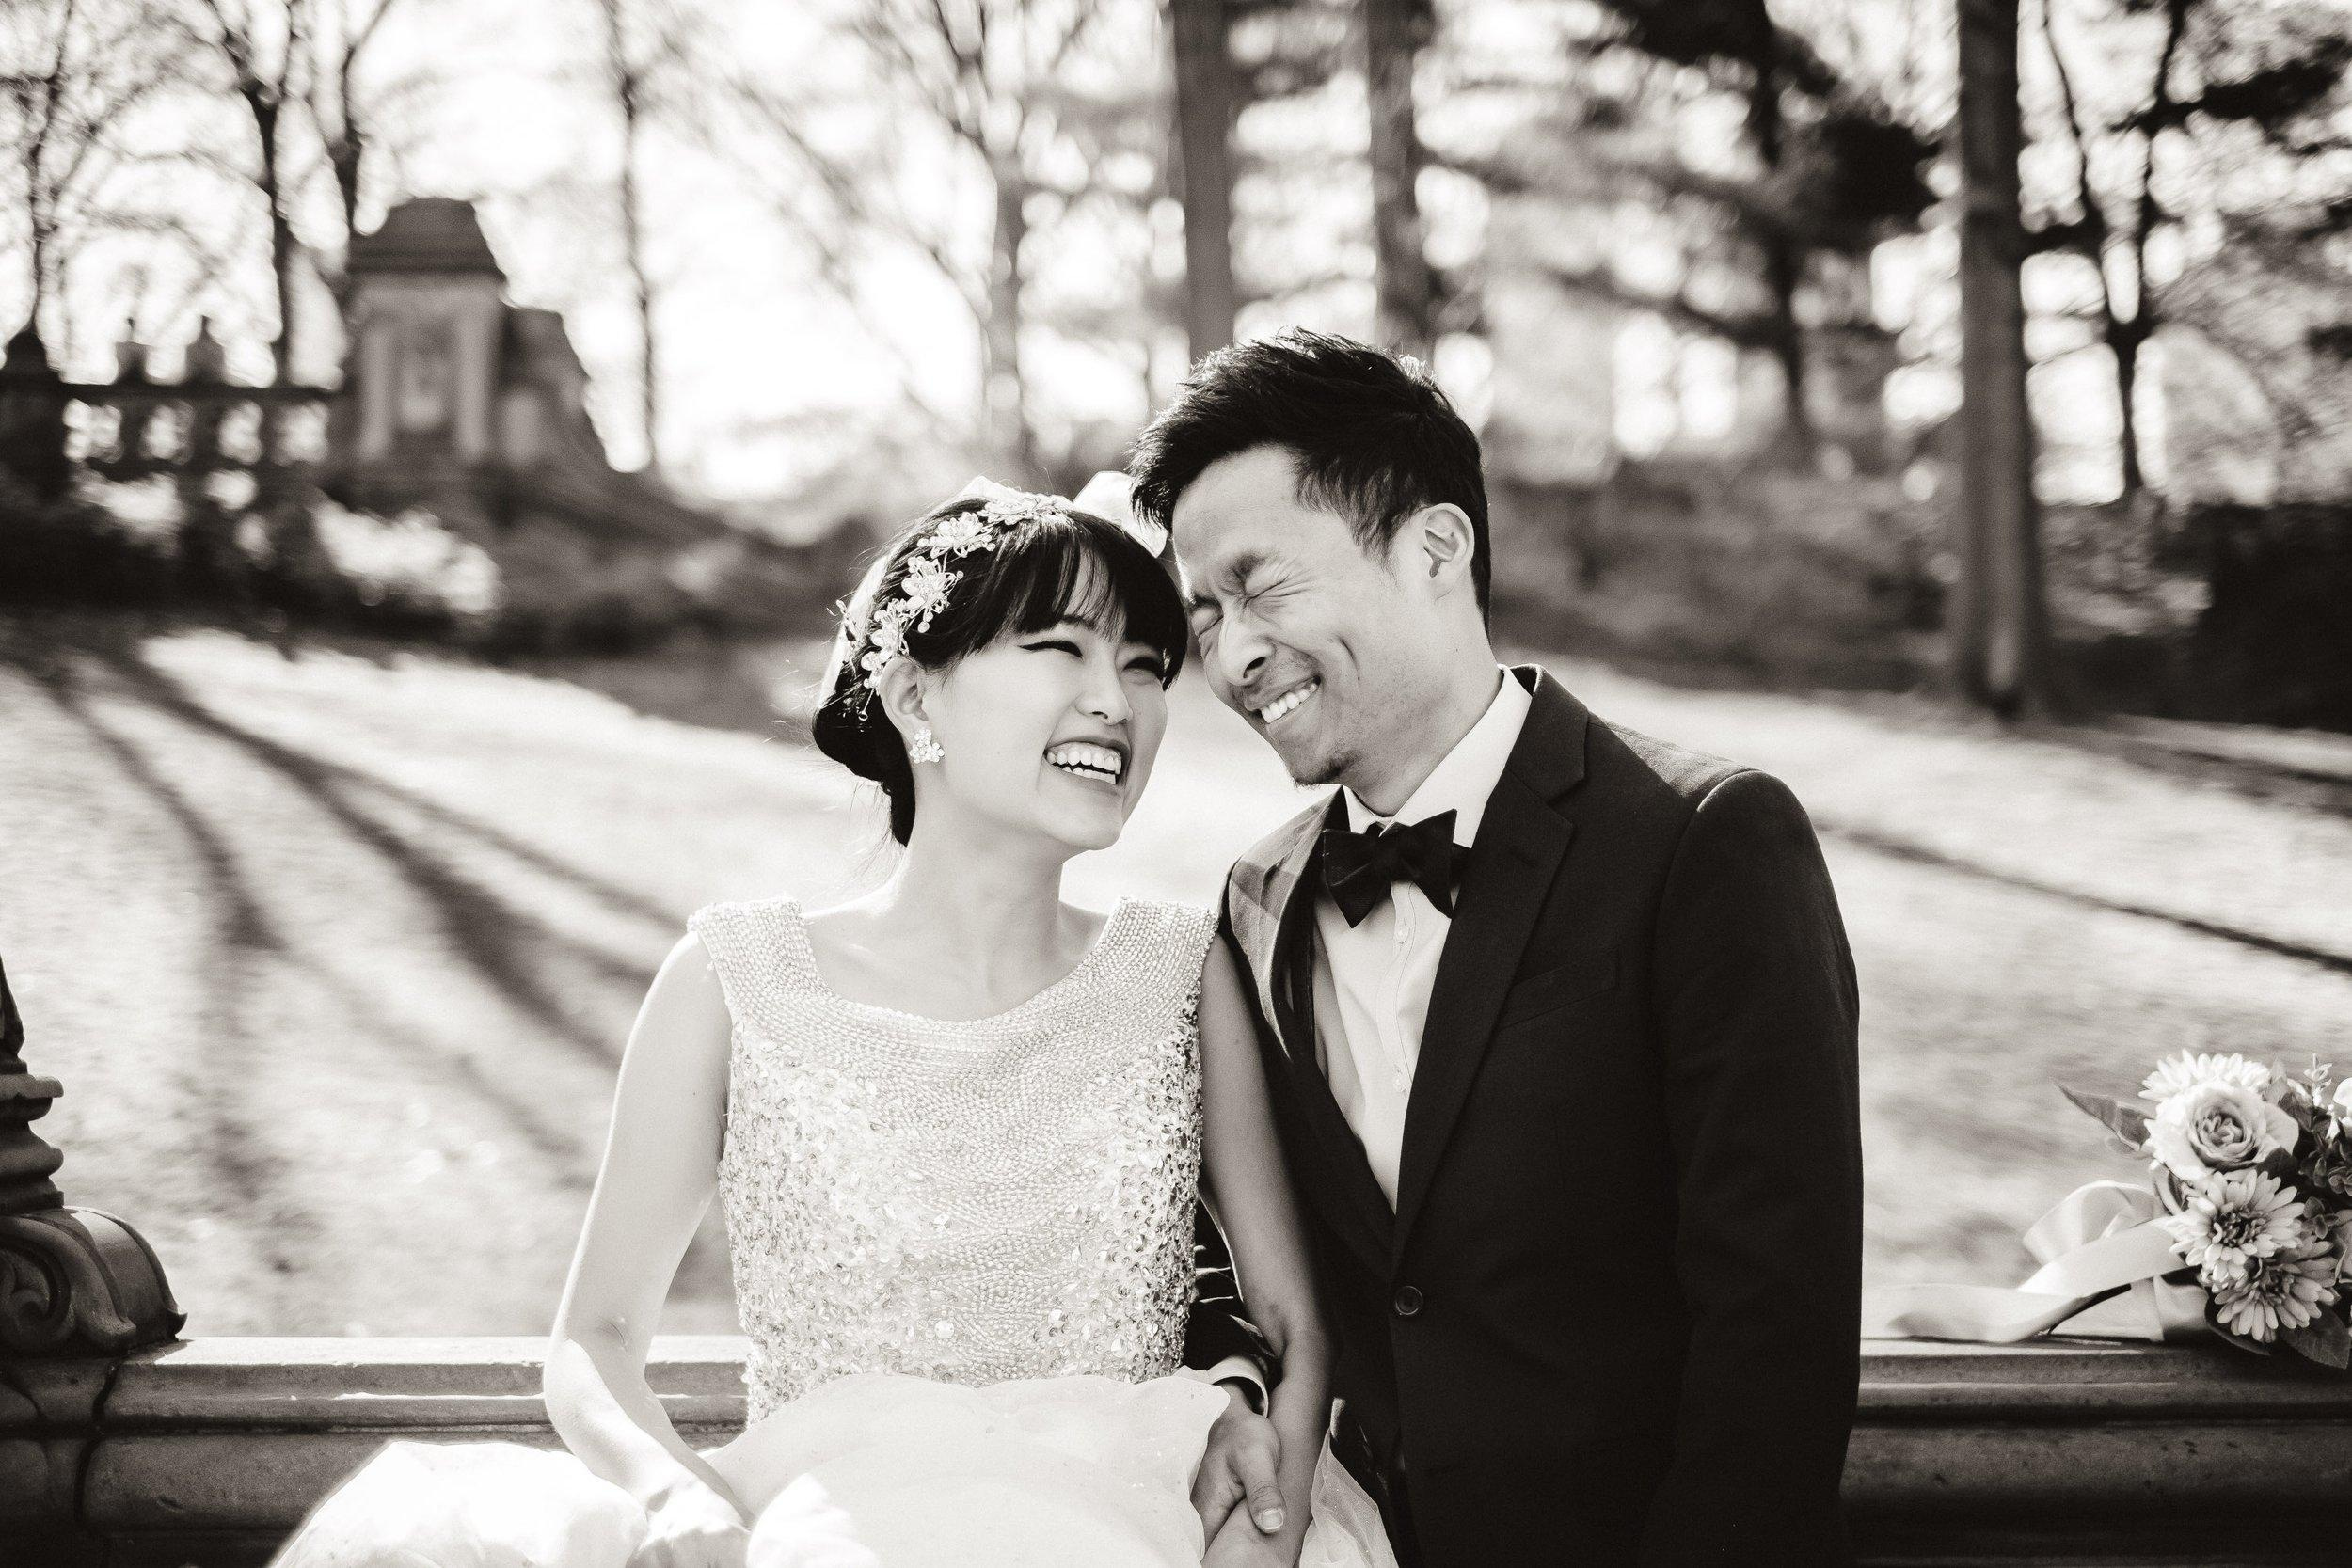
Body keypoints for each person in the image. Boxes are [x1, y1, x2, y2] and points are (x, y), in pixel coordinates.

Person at [271, 483, 1393, 1568]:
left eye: (1146, 666)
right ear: (914, 698)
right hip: (822, 1529)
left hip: (1140, 1527)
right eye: (1060, 648)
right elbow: (593, 1341)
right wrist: (669, 1490)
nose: (1119, 699)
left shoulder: (1181, 969)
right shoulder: (732, 979)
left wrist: (1270, 1525)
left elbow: (1292, 1325)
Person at [1128, 330, 1866, 1567]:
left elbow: (1775, 1330)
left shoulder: (1705, 840)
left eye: (1263, 585)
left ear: (1435, 548)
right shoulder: (1253, 899)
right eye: (1204, 613)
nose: (1234, 654)